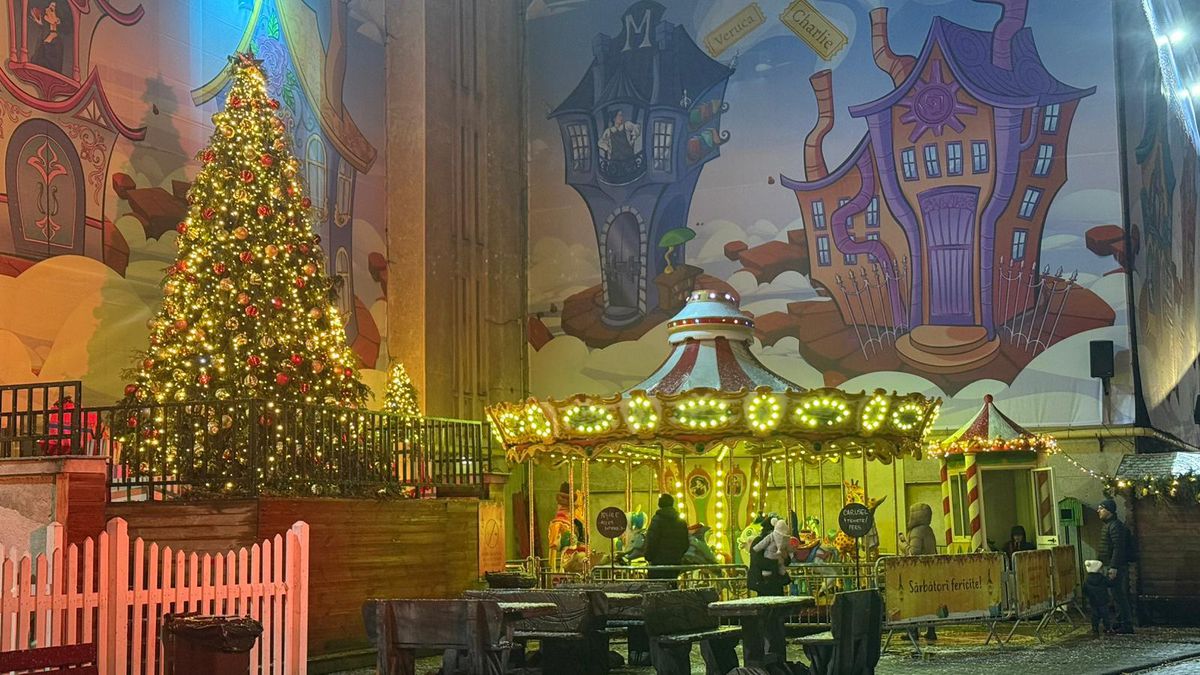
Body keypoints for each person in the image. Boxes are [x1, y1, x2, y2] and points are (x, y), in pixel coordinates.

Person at [901, 503, 938, 642]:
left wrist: (902, 544)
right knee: (929, 603)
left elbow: (913, 552)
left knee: (914, 603)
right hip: (930, 570)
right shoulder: (928, 530)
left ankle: (913, 631)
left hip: (917, 573)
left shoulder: (916, 531)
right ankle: (931, 631)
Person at [1097, 497, 1135, 634]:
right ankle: (1120, 622)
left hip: (1116, 567)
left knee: (1119, 596)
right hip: (1111, 565)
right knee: (1116, 595)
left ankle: (1126, 624)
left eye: (1101, 508)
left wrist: (1113, 567)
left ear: (1109, 511)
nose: (1098, 511)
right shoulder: (1110, 525)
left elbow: (1118, 548)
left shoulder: (1115, 526)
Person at [644, 494, 688, 579]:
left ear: (660, 504)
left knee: (656, 585)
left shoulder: (657, 520)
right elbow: (685, 543)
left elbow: (652, 540)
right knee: (672, 583)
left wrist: (648, 556)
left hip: (658, 562)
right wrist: (678, 556)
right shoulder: (681, 521)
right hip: (675, 562)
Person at [747, 514, 789, 596]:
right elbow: (758, 561)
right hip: (763, 580)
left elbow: (786, 560)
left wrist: (785, 557)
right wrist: (776, 563)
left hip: (775, 579)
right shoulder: (759, 541)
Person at [1083, 559, 1113, 636]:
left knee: (1094, 616)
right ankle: (1108, 628)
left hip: (1093, 601)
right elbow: (1110, 584)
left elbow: (1084, 590)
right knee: (1105, 615)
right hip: (1103, 600)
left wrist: (1087, 597)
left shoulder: (1086, 579)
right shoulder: (1102, 578)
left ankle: (1095, 629)